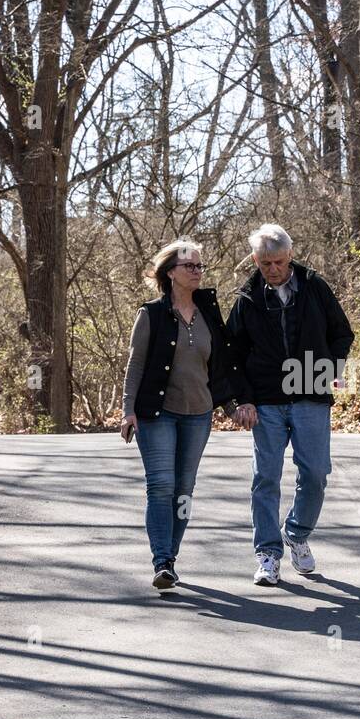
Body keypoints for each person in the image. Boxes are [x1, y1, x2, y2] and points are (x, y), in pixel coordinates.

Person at [226, 224, 355, 586]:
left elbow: (342, 332)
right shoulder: (247, 298)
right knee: (265, 478)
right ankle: (268, 554)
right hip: (265, 400)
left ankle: (296, 533)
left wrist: (331, 368)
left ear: (290, 256)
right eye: (265, 262)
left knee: (315, 472)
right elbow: (232, 353)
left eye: (279, 262)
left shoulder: (314, 287)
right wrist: (243, 399)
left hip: (310, 391)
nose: (273, 269)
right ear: (255, 260)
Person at [122, 239, 249, 591]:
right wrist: (127, 410)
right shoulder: (151, 314)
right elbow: (135, 365)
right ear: (170, 274)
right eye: (189, 266)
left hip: (198, 414)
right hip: (156, 413)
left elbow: (219, 367)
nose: (197, 271)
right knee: (160, 485)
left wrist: (232, 405)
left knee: (184, 490)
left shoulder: (209, 312)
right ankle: (161, 559)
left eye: (199, 266)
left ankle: (170, 560)